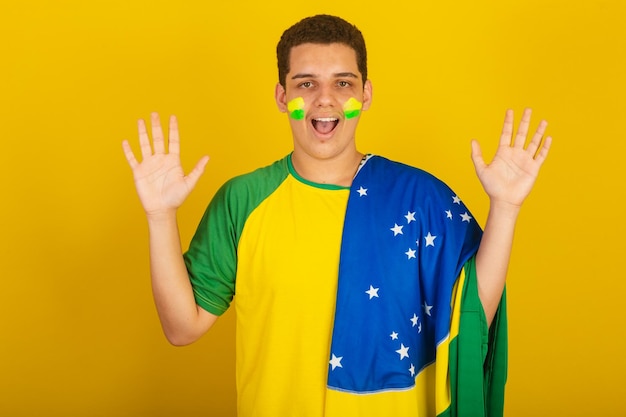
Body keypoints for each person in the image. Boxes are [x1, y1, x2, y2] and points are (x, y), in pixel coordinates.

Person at [122, 14, 551, 417]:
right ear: (282, 96)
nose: (325, 99)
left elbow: (474, 311)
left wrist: (506, 208)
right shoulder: (243, 199)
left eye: (343, 82)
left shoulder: (418, 198)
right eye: (305, 83)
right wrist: (160, 218)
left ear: (365, 93)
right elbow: (182, 328)